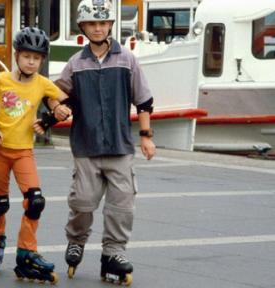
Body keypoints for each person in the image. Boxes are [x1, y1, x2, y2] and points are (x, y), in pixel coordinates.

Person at [50, 0, 156, 285]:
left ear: (110, 25)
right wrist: (55, 106)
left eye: (103, 23)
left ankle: (114, 251)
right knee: (83, 202)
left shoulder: (127, 59)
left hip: (120, 146)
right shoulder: (76, 63)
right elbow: (56, 93)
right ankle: (76, 241)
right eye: (92, 24)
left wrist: (146, 137)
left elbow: (144, 100)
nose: (98, 28)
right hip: (86, 146)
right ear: (82, 26)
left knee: (122, 203)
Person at [0, 27, 71, 284]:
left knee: (35, 201)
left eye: (37, 57)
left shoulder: (43, 83)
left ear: (42, 60)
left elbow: (58, 102)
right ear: (17, 55)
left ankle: (26, 253)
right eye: (26, 56)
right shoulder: (0, 80)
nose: (31, 61)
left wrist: (56, 114)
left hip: (24, 152)